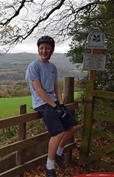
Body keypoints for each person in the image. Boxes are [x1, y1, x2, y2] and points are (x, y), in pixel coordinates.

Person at [25, 36, 81, 177]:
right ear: (38, 49)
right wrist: (54, 106)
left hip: (54, 102)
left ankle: (58, 153)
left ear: (52, 50)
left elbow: (56, 87)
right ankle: (49, 167)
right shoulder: (33, 66)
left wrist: (61, 104)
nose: (44, 51)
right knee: (58, 133)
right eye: (42, 48)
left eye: (47, 48)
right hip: (42, 103)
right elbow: (38, 89)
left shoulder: (52, 67)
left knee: (73, 127)